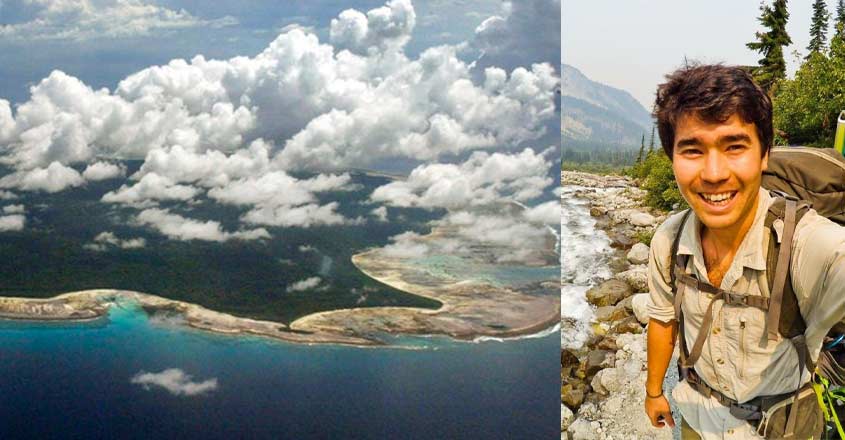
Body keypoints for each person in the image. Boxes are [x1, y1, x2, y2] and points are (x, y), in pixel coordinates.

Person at [643, 64, 845, 439]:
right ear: (671, 158)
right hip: (696, 417)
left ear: (764, 154)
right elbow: (663, 320)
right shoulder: (669, 241)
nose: (714, 173)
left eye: (734, 146)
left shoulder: (803, 243)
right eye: (692, 149)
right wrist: (654, 391)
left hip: (780, 430)